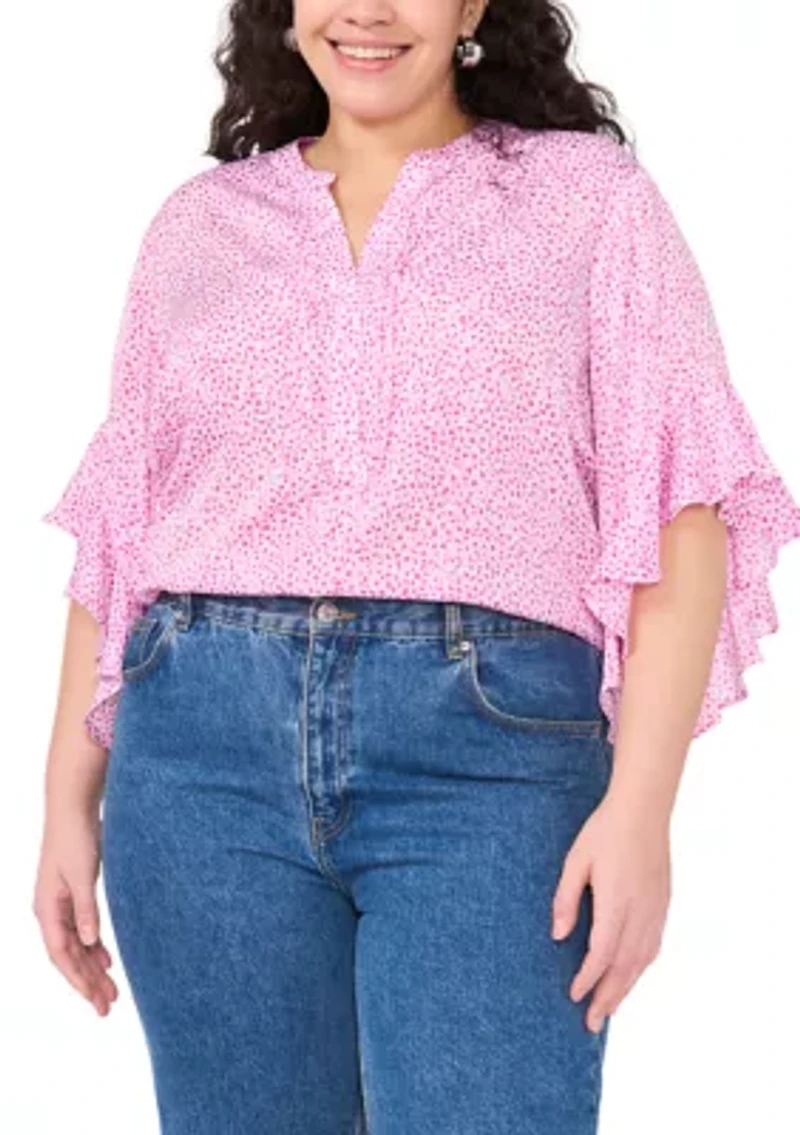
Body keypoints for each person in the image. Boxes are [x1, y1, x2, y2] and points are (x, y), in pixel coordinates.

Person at [33, 2, 800, 1132]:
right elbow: (123, 534)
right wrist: (65, 799)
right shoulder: (197, 227)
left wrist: (642, 810)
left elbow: (680, 511)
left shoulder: (588, 202)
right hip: (197, 757)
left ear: (472, 7)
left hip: (488, 762)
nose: (369, 11)